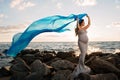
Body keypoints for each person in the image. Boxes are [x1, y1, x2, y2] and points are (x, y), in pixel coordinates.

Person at [71, 14, 91, 79]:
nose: (84, 23)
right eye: (83, 22)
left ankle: (82, 65)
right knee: (82, 54)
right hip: (81, 43)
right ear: (81, 23)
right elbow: (78, 26)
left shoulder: (84, 28)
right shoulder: (79, 28)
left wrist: (88, 17)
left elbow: (89, 24)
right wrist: (77, 20)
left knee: (84, 54)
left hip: (86, 43)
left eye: (84, 22)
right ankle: (81, 67)